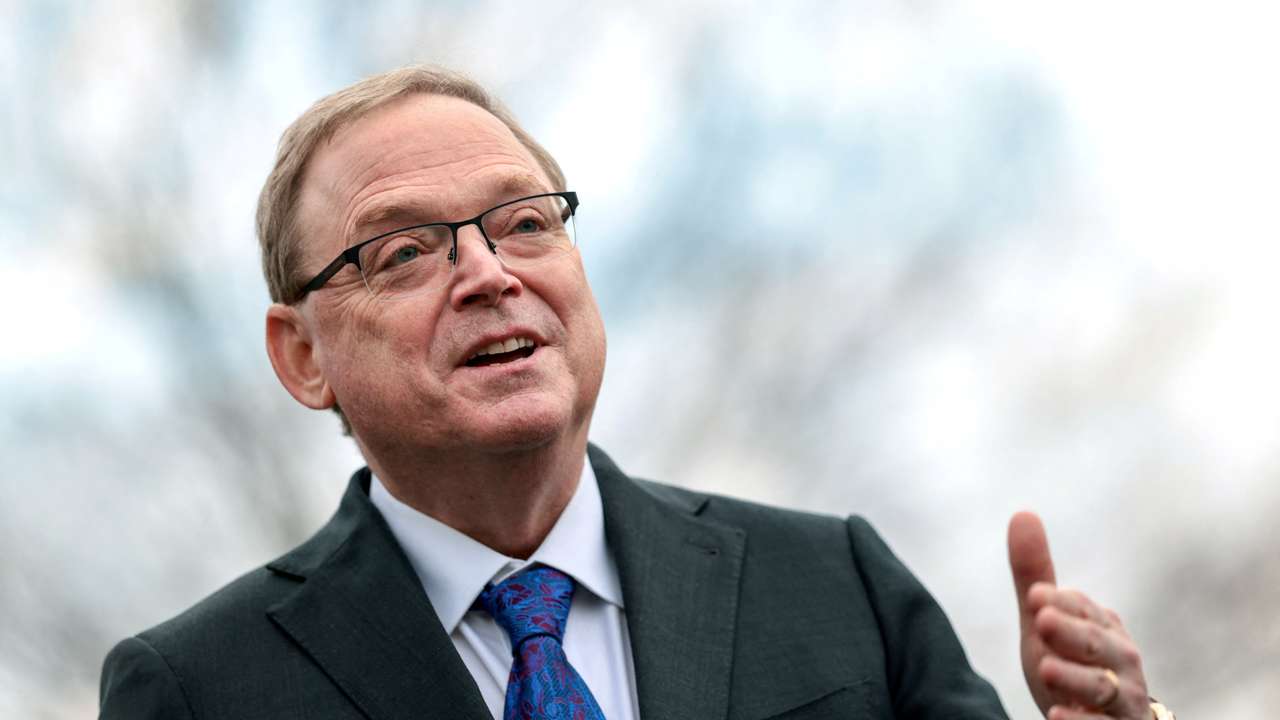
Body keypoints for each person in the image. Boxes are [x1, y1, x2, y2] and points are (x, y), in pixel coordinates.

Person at [99, 66, 1172, 720]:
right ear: (302, 357)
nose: (488, 272)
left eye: (524, 222)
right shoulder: (195, 688)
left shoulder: (835, 582)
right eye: (405, 250)